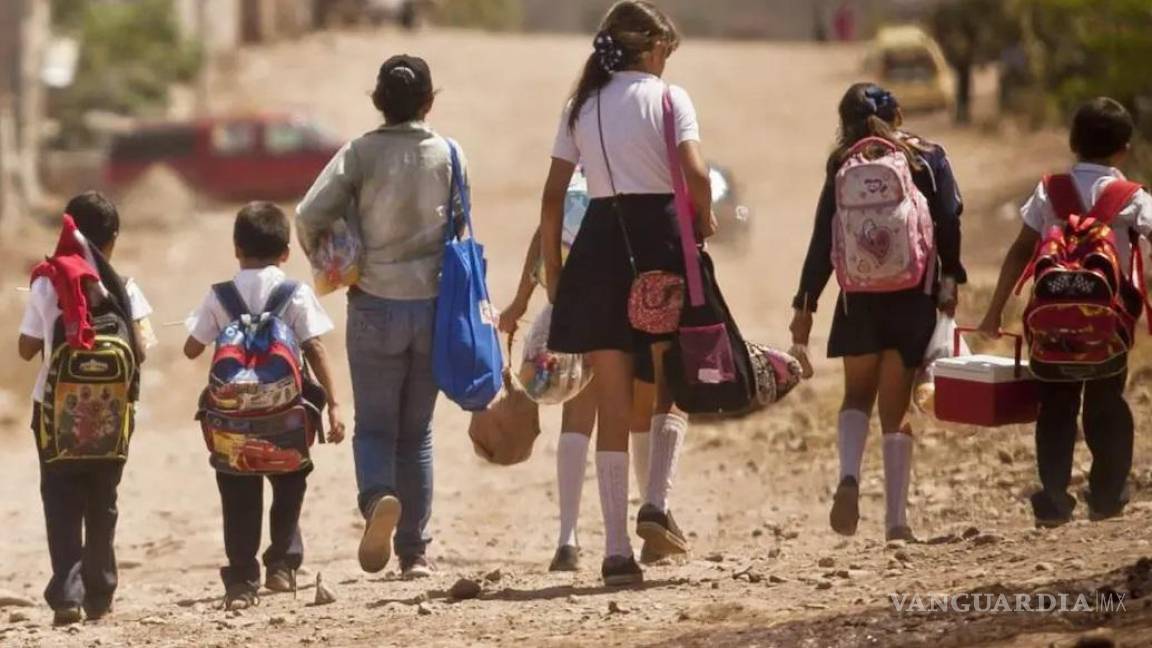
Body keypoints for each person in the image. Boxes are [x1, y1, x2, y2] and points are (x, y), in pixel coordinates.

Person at [542, 0, 717, 586]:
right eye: (666, 50)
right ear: (650, 48)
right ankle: (657, 502)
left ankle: (615, 551)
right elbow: (694, 177)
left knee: (611, 404)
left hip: (596, 249)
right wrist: (706, 216)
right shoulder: (671, 99)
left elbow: (551, 197)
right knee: (669, 382)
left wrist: (554, 273)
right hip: (662, 246)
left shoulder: (581, 105)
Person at [297, 54, 462, 580]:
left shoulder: (360, 153)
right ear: (430, 102)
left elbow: (307, 214)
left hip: (373, 302)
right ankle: (414, 552)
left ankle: (377, 499)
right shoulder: (450, 154)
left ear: (378, 102)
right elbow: (460, 229)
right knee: (417, 434)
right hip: (433, 306)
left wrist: (337, 261)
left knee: (375, 428)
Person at [790, 83, 965, 542]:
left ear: (842, 123)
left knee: (855, 397)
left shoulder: (842, 164)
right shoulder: (927, 158)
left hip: (858, 300)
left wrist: (805, 305)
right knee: (896, 410)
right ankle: (896, 521)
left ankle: (849, 475)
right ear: (900, 115)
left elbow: (822, 242)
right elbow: (948, 221)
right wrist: (949, 284)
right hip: (913, 298)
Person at [978, 98, 1152, 527]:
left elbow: (1021, 250)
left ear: (1073, 143)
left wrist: (994, 311)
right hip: (1107, 327)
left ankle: (1054, 497)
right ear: (1123, 150)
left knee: (1055, 407)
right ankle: (1107, 495)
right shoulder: (1132, 198)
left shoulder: (1049, 191)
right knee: (1106, 405)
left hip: (1050, 328)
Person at [498, 175, 671, 571]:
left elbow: (544, 233)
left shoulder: (573, 177)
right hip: (630, 304)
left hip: (576, 306)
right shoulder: (637, 168)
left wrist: (522, 302)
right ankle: (652, 519)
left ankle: (567, 540)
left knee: (577, 421)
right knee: (637, 413)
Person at [184, 202, 346, 610]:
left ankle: (241, 580)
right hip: (286, 419)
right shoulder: (294, 293)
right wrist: (335, 405)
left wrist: (200, 323)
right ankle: (282, 565)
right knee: (290, 480)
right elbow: (314, 348)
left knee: (237, 492)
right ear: (286, 253)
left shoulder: (220, 295)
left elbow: (190, 350)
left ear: (236, 249)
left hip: (231, 424)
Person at [18, 191, 154, 625]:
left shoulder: (47, 280)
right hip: (112, 419)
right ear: (112, 239)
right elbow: (143, 350)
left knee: (60, 504)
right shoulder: (126, 287)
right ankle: (100, 592)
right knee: (103, 502)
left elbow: (26, 349)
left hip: (54, 417)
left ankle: (67, 597)